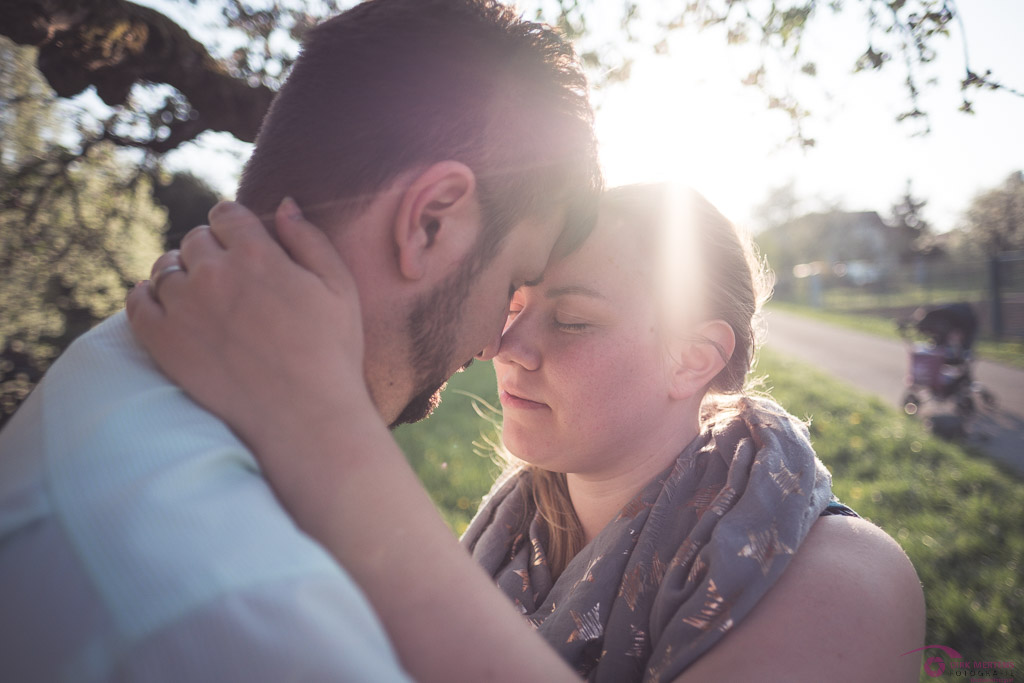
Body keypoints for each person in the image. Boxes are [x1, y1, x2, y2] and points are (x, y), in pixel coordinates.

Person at [0, 1, 601, 681]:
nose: (500, 342)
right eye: (513, 281)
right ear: (430, 221)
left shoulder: (116, 356)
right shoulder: (253, 619)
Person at [128, 184, 926, 681]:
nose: (507, 348)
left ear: (694, 358)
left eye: (573, 319)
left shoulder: (844, 582)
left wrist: (321, 430)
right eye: (516, 305)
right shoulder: (510, 542)